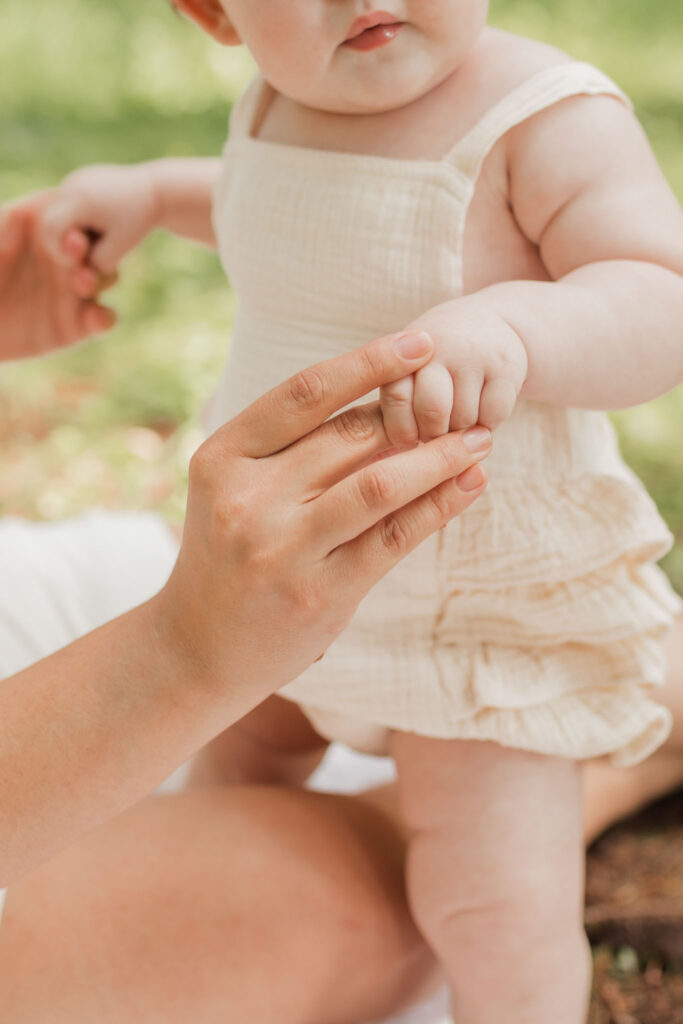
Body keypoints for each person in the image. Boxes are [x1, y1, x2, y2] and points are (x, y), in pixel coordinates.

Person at [13, 2, 683, 1020]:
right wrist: (150, 195)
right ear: (212, 11)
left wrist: (515, 325)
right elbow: (264, 201)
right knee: (234, 774)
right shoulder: (285, 103)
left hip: (468, 586)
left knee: (490, 901)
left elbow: (656, 290)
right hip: (279, 577)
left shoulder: (539, 117)